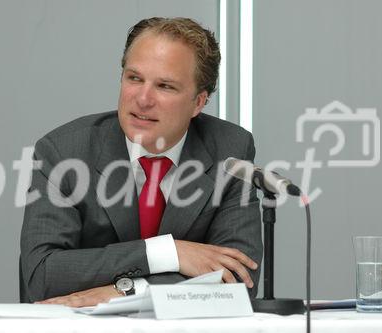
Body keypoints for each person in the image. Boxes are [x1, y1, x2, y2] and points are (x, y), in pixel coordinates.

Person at [20, 17, 262, 307]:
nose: (143, 99)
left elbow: (237, 282)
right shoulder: (64, 151)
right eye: (134, 78)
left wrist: (123, 291)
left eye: (165, 86)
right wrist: (168, 253)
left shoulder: (230, 151)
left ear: (198, 102)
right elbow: (42, 275)